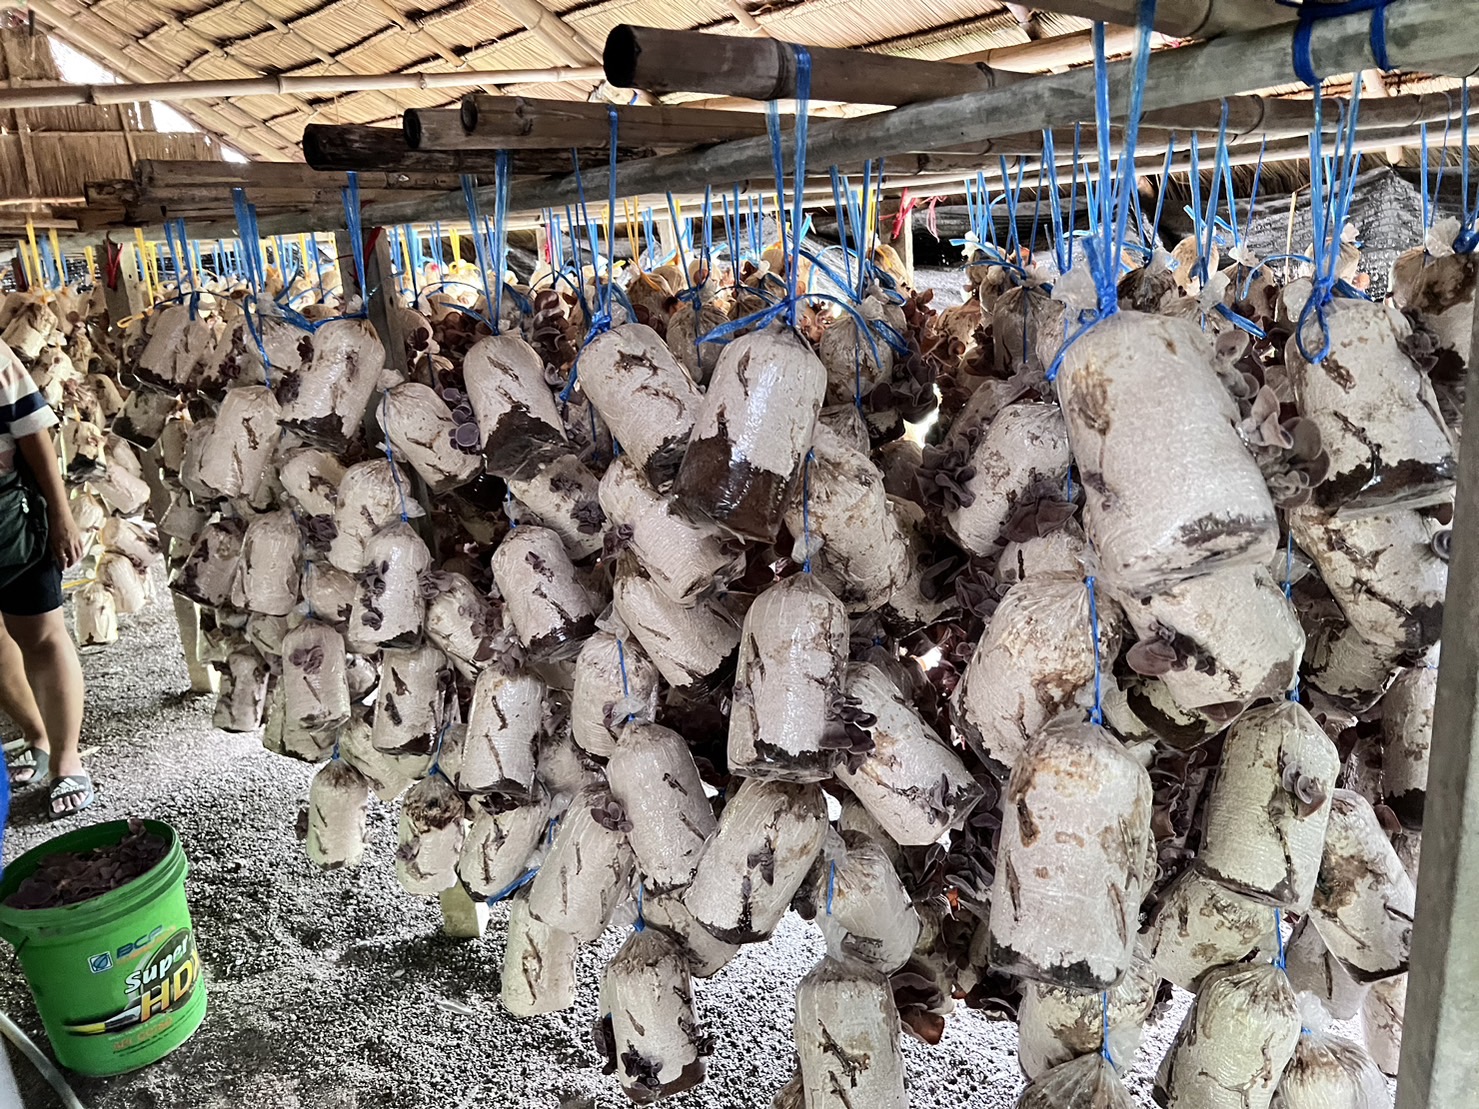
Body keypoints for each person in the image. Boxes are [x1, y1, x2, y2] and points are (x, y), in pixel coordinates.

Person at [0, 337, 89, 818]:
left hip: (8, 517)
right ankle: (37, 736)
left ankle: (66, 759)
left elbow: (34, 430)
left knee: (40, 634)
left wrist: (61, 514)